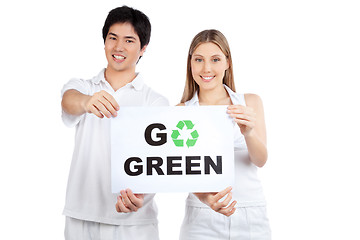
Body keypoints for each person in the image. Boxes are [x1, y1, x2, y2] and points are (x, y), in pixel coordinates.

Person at [61, 6, 168, 240]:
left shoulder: (156, 102)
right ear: (104, 42)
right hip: (81, 217)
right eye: (113, 38)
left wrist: (139, 195)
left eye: (129, 40)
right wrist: (87, 102)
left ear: (143, 49)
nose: (118, 47)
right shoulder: (84, 87)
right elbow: (68, 101)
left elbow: (160, 162)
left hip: (135, 222)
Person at [178, 29, 271, 239]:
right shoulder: (180, 112)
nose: (207, 68)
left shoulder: (250, 102)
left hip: (250, 214)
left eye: (215, 59)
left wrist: (248, 133)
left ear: (227, 62)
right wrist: (205, 198)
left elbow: (261, 160)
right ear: (190, 63)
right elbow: (179, 170)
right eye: (199, 60)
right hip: (201, 218)